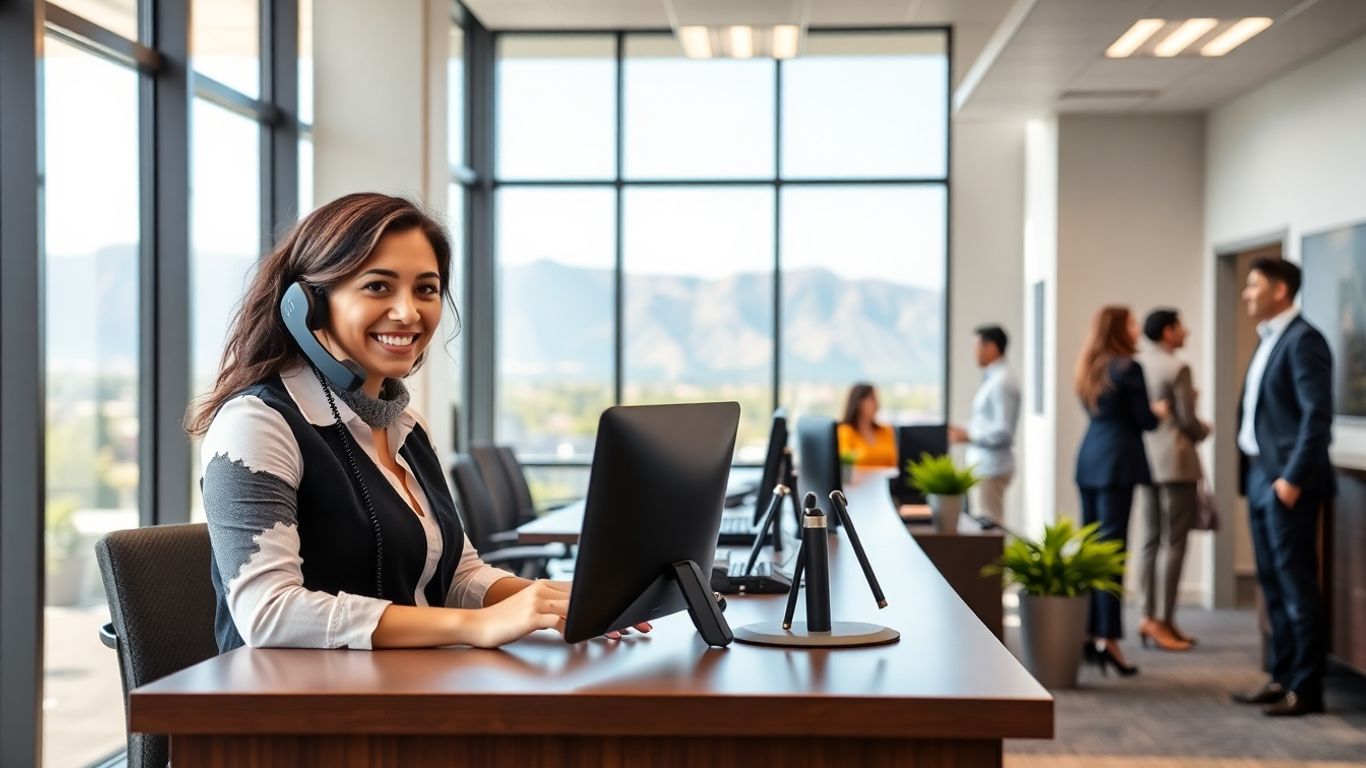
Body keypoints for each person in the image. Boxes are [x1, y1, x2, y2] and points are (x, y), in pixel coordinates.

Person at [186, 192, 648, 652]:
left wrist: (551, 601)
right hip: (295, 709)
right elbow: (268, 612)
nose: (408, 312)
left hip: (405, 688)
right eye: (378, 286)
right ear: (308, 305)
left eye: (426, 289)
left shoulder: (406, 426)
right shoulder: (257, 424)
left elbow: (458, 573)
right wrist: (474, 626)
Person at [1232, 258, 1334, 717]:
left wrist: (1292, 478)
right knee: (1271, 586)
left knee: (1296, 586)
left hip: (1286, 480)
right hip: (1258, 474)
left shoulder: (1304, 340)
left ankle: (1307, 689)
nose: (1246, 294)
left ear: (1279, 289)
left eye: (1253, 286)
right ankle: (1282, 676)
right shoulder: (1270, 339)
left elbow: (1317, 417)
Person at [1074, 305, 1167, 677]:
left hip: (1088, 461)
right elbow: (1144, 420)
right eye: (1130, 323)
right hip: (1117, 465)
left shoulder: (1090, 367)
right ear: (1118, 329)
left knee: (1092, 552)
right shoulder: (1129, 367)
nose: (1136, 328)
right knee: (1112, 554)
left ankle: (1088, 634)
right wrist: (1158, 410)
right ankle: (1108, 639)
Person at [1135, 309, 1210, 652]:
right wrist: (1205, 427)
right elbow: (1188, 421)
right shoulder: (1177, 367)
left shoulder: (1138, 363)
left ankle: (1148, 615)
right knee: (1174, 542)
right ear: (1168, 331)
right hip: (1177, 463)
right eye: (1182, 326)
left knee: (1150, 540)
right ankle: (1163, 620)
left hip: (1147, 460)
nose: (1187, 331)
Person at [949, 325, 1020, 525]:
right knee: (987, 525)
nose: (973, 352)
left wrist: (969, 436)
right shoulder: (994, 378)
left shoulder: (1002, 382)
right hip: (986, 466)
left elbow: (1003, 430)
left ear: (991, 347)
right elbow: (987, 421)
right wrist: (966, 430)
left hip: (992, 466)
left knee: (991, 527)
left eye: (976, 345)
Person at [836, 383, 897, 467]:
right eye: (872, 398)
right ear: (858, 402)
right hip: (859, 480)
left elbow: (896, 461)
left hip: (885, 479)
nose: (877, 403)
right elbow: (845, 464)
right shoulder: (845, 431)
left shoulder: (886, 430)